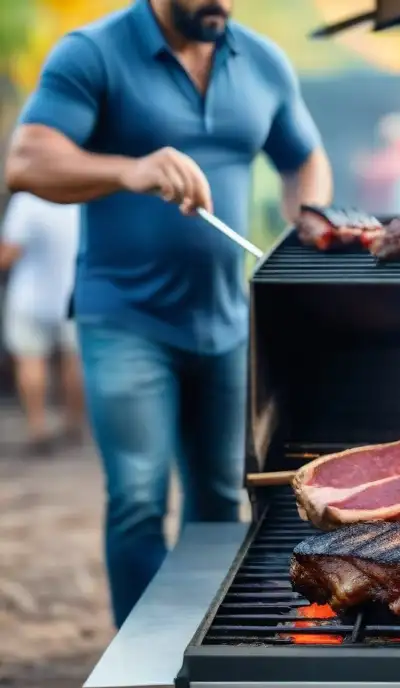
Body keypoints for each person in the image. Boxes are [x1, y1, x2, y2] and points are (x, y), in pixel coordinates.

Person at [5, 0, 333, 627]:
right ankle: (143, 655)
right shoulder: (92, 52)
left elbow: (305, 158)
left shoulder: (260, 59)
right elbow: (26, 162)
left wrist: (310, 217)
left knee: (219, 500)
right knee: (137, 499)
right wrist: (131, 169)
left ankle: (198, 650)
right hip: (125, 320)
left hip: (229, 324)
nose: (222, 5)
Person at [0, 193, 84, 453]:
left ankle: (38, 425)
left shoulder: (27, 202)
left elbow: (9, 253)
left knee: (30, 360)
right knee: (74, 360)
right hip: (74, 293)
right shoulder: (81, 197)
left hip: (30, 297)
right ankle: (73, 421)